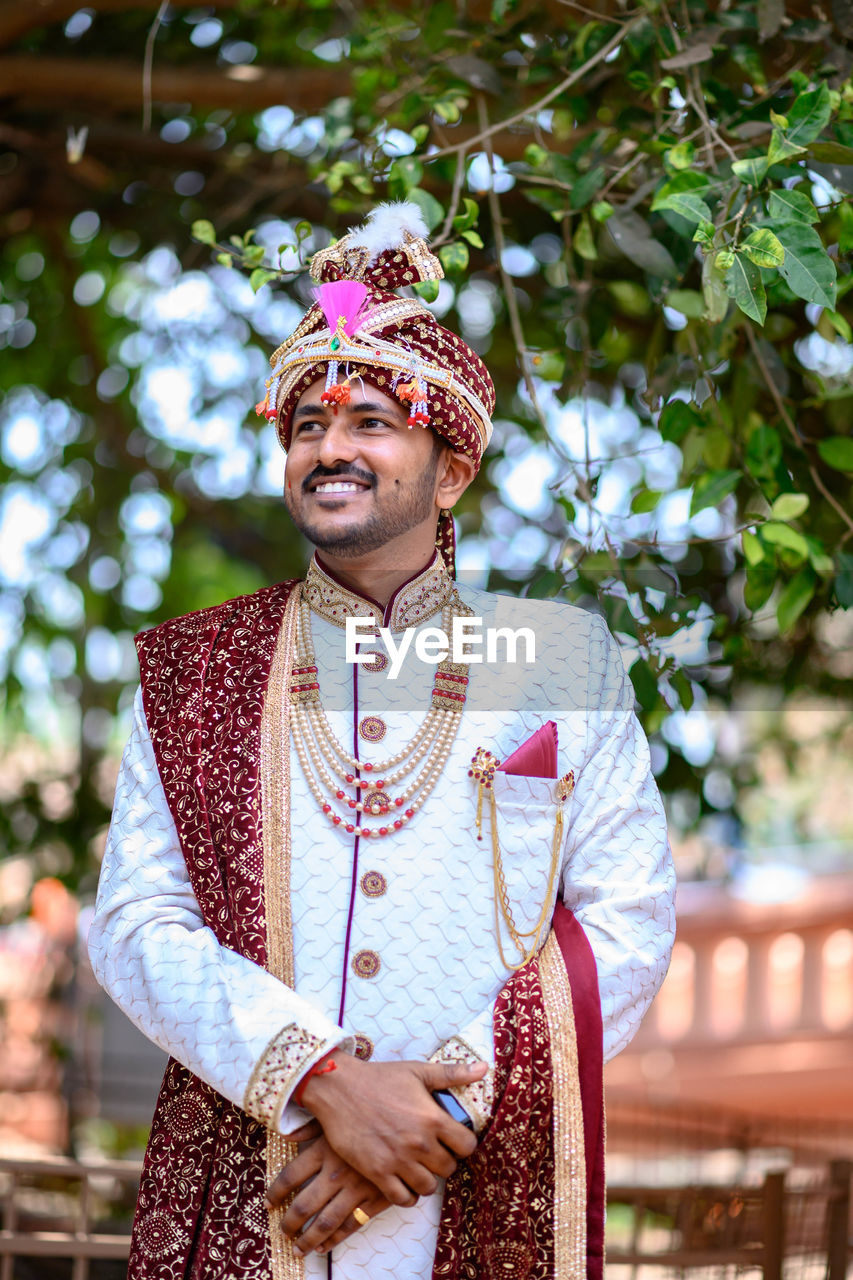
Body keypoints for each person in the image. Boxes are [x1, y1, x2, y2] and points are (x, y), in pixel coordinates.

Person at [88, 202, 675, 1280]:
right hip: (262, 1168)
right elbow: (134, 919)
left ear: (448, 470)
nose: (330, 446)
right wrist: (318, 1077)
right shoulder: (192, 670)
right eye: (307, 424)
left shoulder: (561, 661)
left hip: (470, 1176)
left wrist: (431, 1107)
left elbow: (624, 922)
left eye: (370, 420)